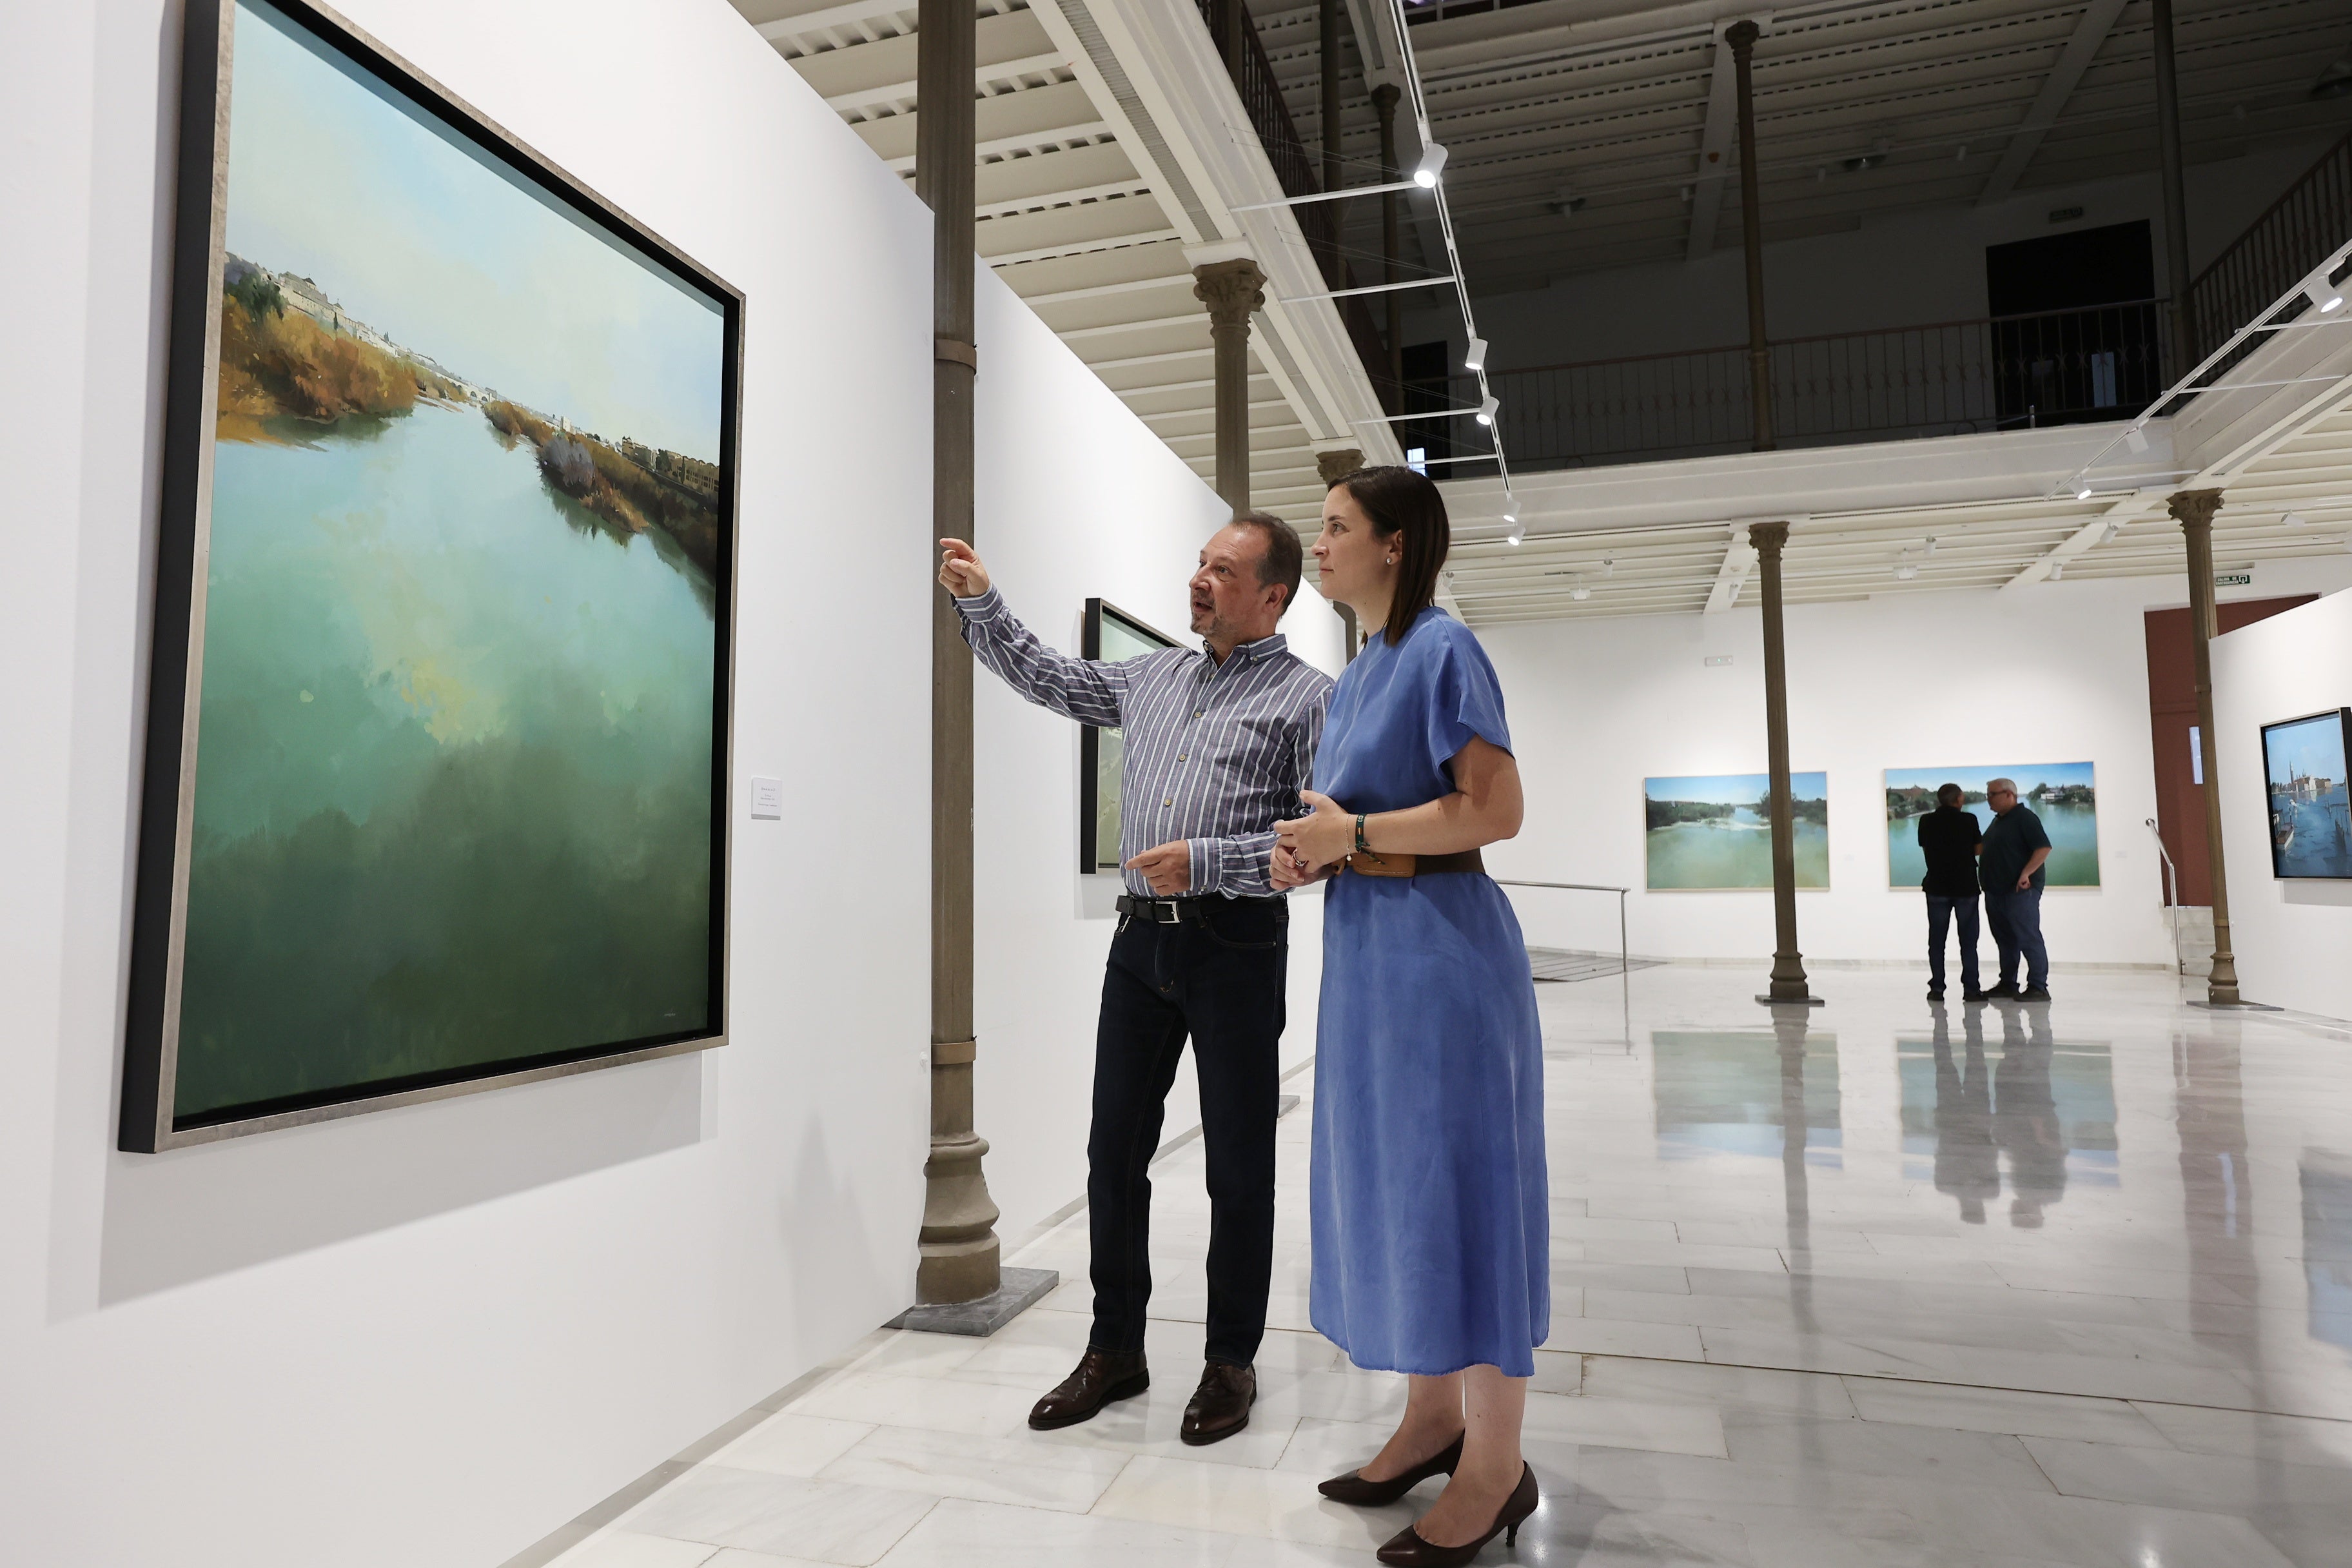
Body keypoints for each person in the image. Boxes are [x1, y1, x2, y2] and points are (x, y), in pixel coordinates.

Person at [936, 514, 1333, 1447]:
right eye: (1200, 564)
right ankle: (1115, 1348)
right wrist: (983, 605)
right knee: (1112, 1154)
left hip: (1237, 948)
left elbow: (1317, 848)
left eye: (1223, 570)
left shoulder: (1311, 700)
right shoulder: (1153, 677)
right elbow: (1051, 677)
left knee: (1238, 1167)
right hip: (1139, 947)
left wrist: (1208, 861)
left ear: (1273, 595)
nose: (1199, 580)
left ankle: (1230, 1361)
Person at [1271, 467, 1545, 1568]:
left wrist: (1353, 837)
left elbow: (1495, 808)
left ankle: (1496, 1466)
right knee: (1402, 1190)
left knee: (1464, 1195)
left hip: (1442, 961)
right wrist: (1317, 850)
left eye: (1337, 528)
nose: (1320, 545)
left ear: (1395, 544)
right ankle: (1432, 1422)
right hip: (1373, 962)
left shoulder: (1443, 649)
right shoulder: (1356, 675)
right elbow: (1359, 823)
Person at [1979, 778, 2053, 1002]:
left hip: (2020, 892)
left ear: (2010, 795)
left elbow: (2043, 848)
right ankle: (2008, 984)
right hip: (1996, 891)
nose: (1988, 799)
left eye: (1992, 794)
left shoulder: (2025, 818)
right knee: (2005, 940)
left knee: (2028, 937)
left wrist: (2026, 873)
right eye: (1987, 794)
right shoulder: (1998, 821)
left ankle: (2038, 987)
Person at [1917, 783, 1985, 1001]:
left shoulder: (1926, 821)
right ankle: (1971, 989)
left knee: (1937, 940)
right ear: (1960, 799)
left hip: (1936, 886)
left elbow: (1926, 849)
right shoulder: (1969, 820)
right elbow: (1978, 850)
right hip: (1965, 887)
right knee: (1968, 941)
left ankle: (1937, 988)